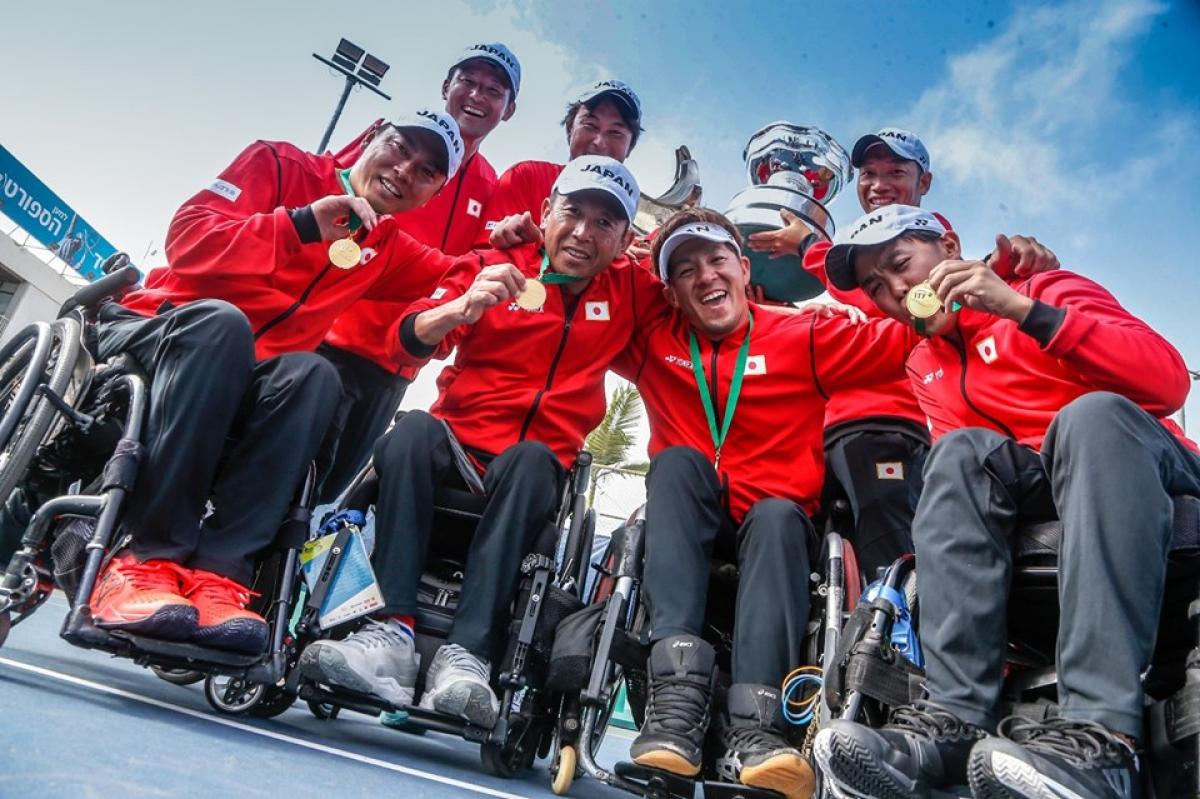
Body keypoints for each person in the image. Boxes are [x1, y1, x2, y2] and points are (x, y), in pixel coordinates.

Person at [811, 204, 1199, 799]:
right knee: (957, 454)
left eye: (900, 265)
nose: (896, 291)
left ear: (948, 247)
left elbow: (1168, 382)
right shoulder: (925, 364)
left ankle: (1103, 741)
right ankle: (949, 725)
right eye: (876, 288)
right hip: (1039, 488)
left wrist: (1022, 310)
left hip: (1141, 464)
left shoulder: (1045, 287)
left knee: (1087, 419)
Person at [298, 156, 664, 726]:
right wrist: (460, 307)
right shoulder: (494, 263)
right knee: (412, 431)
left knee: (533, 458)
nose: (584, 233)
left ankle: (465, 655)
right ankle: (389, 634)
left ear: (624, 240)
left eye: (605, 223)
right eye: (573, 213)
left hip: (531, 474)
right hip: (453, 453)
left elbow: (703, 287)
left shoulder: (633, 291)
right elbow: (404, 339)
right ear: (546, 212)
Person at [86, 110, 464, 655]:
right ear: (370, 138)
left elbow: (462, 269)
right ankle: (146, 560)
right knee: (224, 325)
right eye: (400, 148)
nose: (406, 170)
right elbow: (187, 240)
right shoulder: (280, 164)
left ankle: (221, 577)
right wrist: (301, 225)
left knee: (315, 374)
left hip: (242, 379)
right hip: (160, 327)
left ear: (432, 194)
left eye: (427, 171)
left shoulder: (387, 248)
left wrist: (512, 244)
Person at [612, 207, 924, 799]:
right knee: (678, 463)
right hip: (689, 520)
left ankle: (758, 732)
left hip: (774, 529)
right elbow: (581, 298)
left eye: (716, 260)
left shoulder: (802, 333)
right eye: (684, 269)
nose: (705, 276)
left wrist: (987, 278)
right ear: (671, 292)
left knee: (780, 514)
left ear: (742, 266)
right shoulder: (653, 340)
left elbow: (907, 330)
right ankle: (675, 705)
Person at [746, 128, 1056, 577]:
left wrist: (811, 247)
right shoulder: (855, 260)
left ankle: (902, 644)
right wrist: (774, 312)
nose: (879, 183)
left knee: (891, 555)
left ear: (924, 183)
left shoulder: (933, 244)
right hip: (824, 429)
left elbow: (916, 305)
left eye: (896, 171)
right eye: (868, 173)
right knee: (816, 552)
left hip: (888, 426)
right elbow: (852, 320)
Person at [316, 43, 521, 504]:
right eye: (467, 81)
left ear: (508, 111)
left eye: (493, 90)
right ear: (446, 85)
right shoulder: (390, 138)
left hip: (397, 364)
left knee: (328, 490)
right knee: (285, 473)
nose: (476, 95)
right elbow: (334, 182)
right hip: (331, 342)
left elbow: (475, 263)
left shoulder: (490, 183)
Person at [478, 79, 643, 250]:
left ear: (630, 146)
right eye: (590, 125)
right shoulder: (526, 177)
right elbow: (484, 254)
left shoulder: (626, 212)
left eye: (615, 132)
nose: (599, 141)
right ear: (570, 128)